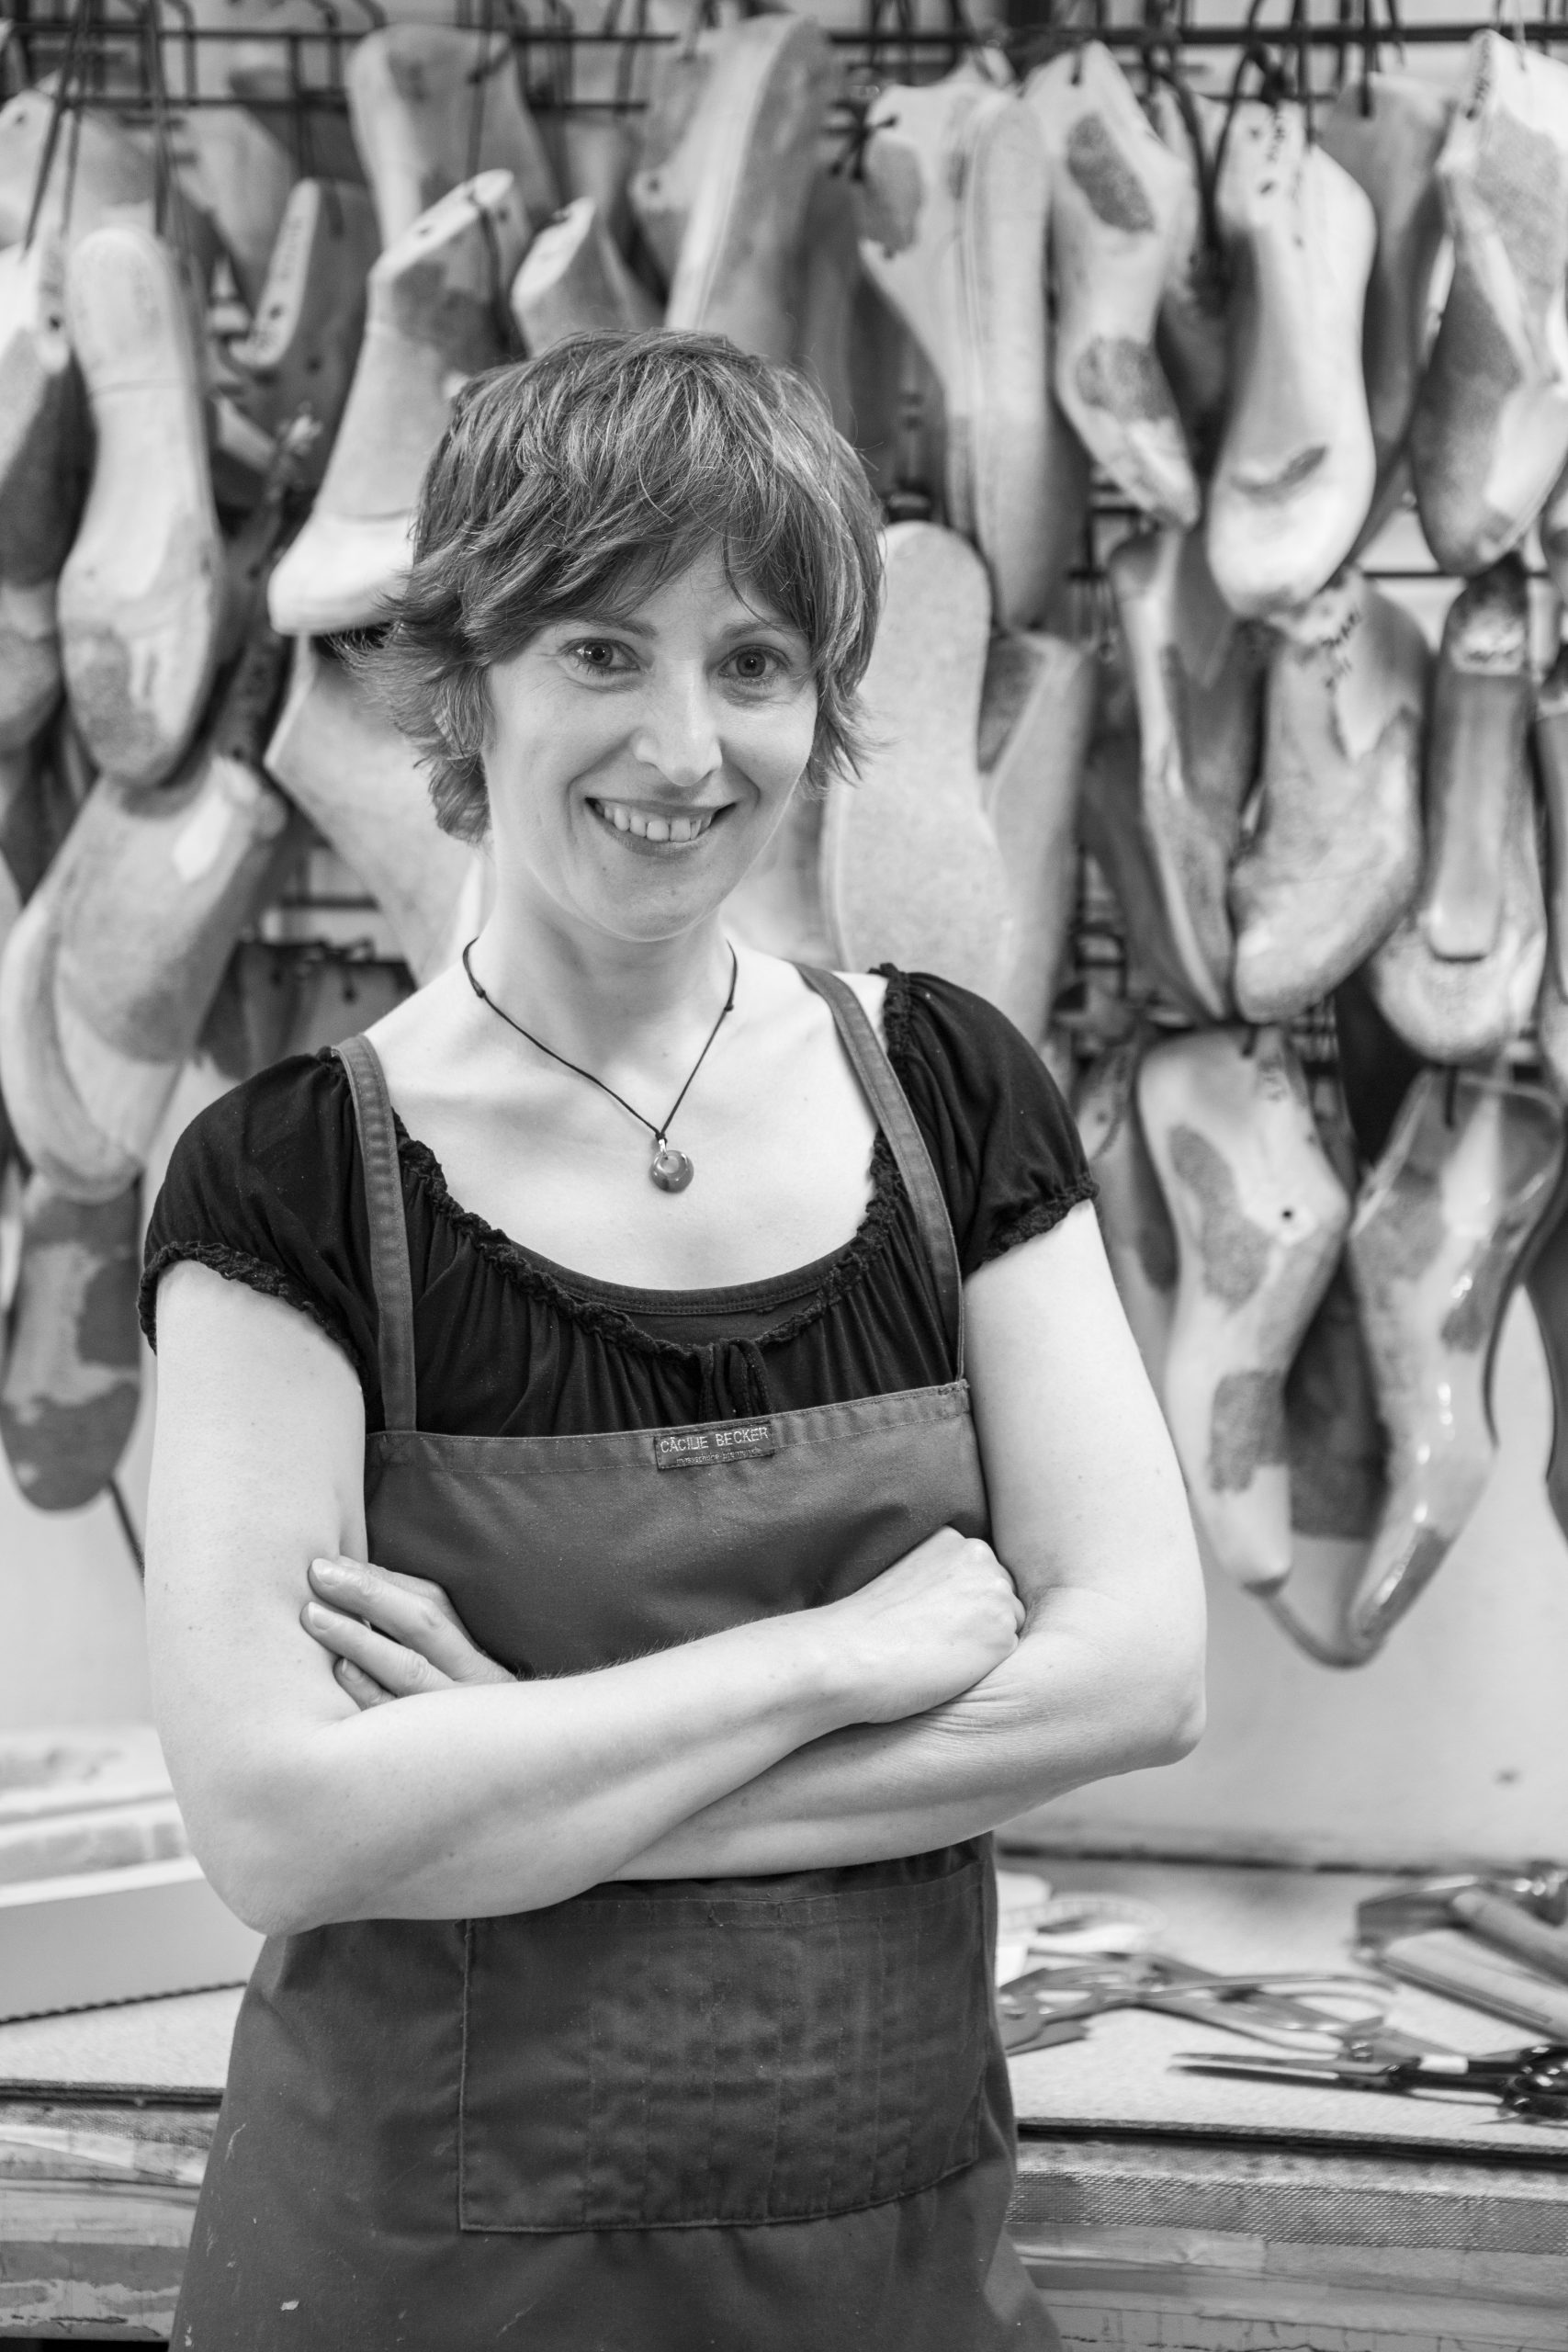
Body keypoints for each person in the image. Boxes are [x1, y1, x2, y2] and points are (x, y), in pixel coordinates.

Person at [142, 332, 1205, 2351]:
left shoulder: (948, 1091)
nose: (686, 745)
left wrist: (511, 1787)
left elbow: (1139, 1678)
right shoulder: (291, 1180)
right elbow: (278, 1827)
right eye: (600, 652)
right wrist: (829, 1660)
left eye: (755, 662)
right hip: (423, 2282)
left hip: (887, 2269)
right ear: (465, 683)